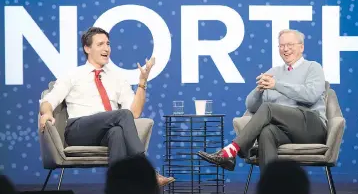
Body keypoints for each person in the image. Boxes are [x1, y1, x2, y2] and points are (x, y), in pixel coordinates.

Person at [39, 27, 175, 187]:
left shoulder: (117, 78)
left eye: (108, 44)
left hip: (105, 131)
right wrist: (46, 113)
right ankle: (147, 171)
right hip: (78, 130)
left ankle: (118, 187)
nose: (106, 48)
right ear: (87, 48)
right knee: (121, 115)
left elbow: (134, 113)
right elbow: (49, 100)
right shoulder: (73, 75)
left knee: (116, 132)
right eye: (100, 44)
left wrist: (142, 82)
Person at [198, 29, 327, 171]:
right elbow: (251, 106)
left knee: (268, 108)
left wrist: (276, 85)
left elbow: (311, 95)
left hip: (312, 127)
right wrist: (259, 91)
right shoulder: (274, 72)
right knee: (267, 132)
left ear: (301, 47)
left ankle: (231, 151)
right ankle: (269, 185)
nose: (285, 49)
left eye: (290, 45)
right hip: (286, 131)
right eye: (282, 45)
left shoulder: (313, 67)